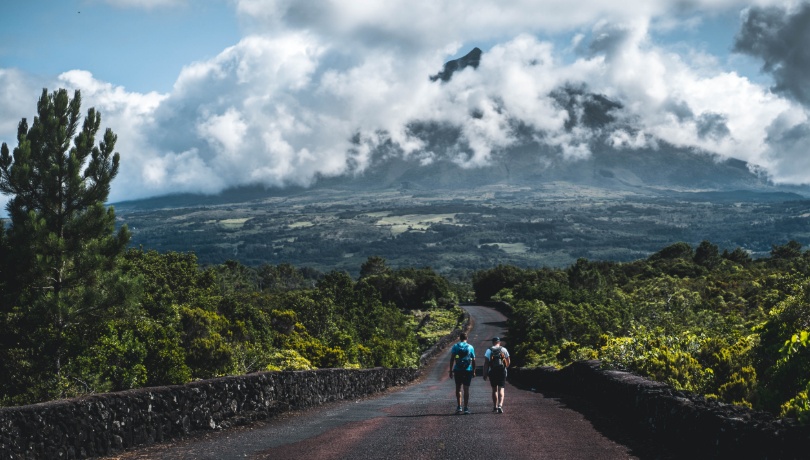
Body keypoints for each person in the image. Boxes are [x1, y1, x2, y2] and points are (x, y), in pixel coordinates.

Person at [449, 332, 476, 414]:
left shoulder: (455, 346)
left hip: (458, 369)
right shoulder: (470, 347)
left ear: (459, 338)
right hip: (467, 370)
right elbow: (474, 360)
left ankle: (459, 406)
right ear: (466, 338)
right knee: (466, 388)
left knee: (458, 388)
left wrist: (451, 370)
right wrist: (474, 371)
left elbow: (452, 359)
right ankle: (466, 408)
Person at [483, 337, 510, 414]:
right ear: (499, 342)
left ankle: (495, 407)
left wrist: (485, 373)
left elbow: (486, 363)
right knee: (501, 389)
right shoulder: (504, 350)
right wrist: (504, 368)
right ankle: (500, 405)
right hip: (502, 371)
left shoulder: (489, 350)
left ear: (493, 342)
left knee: (494, 389)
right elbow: (508, 362)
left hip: (493, 371)